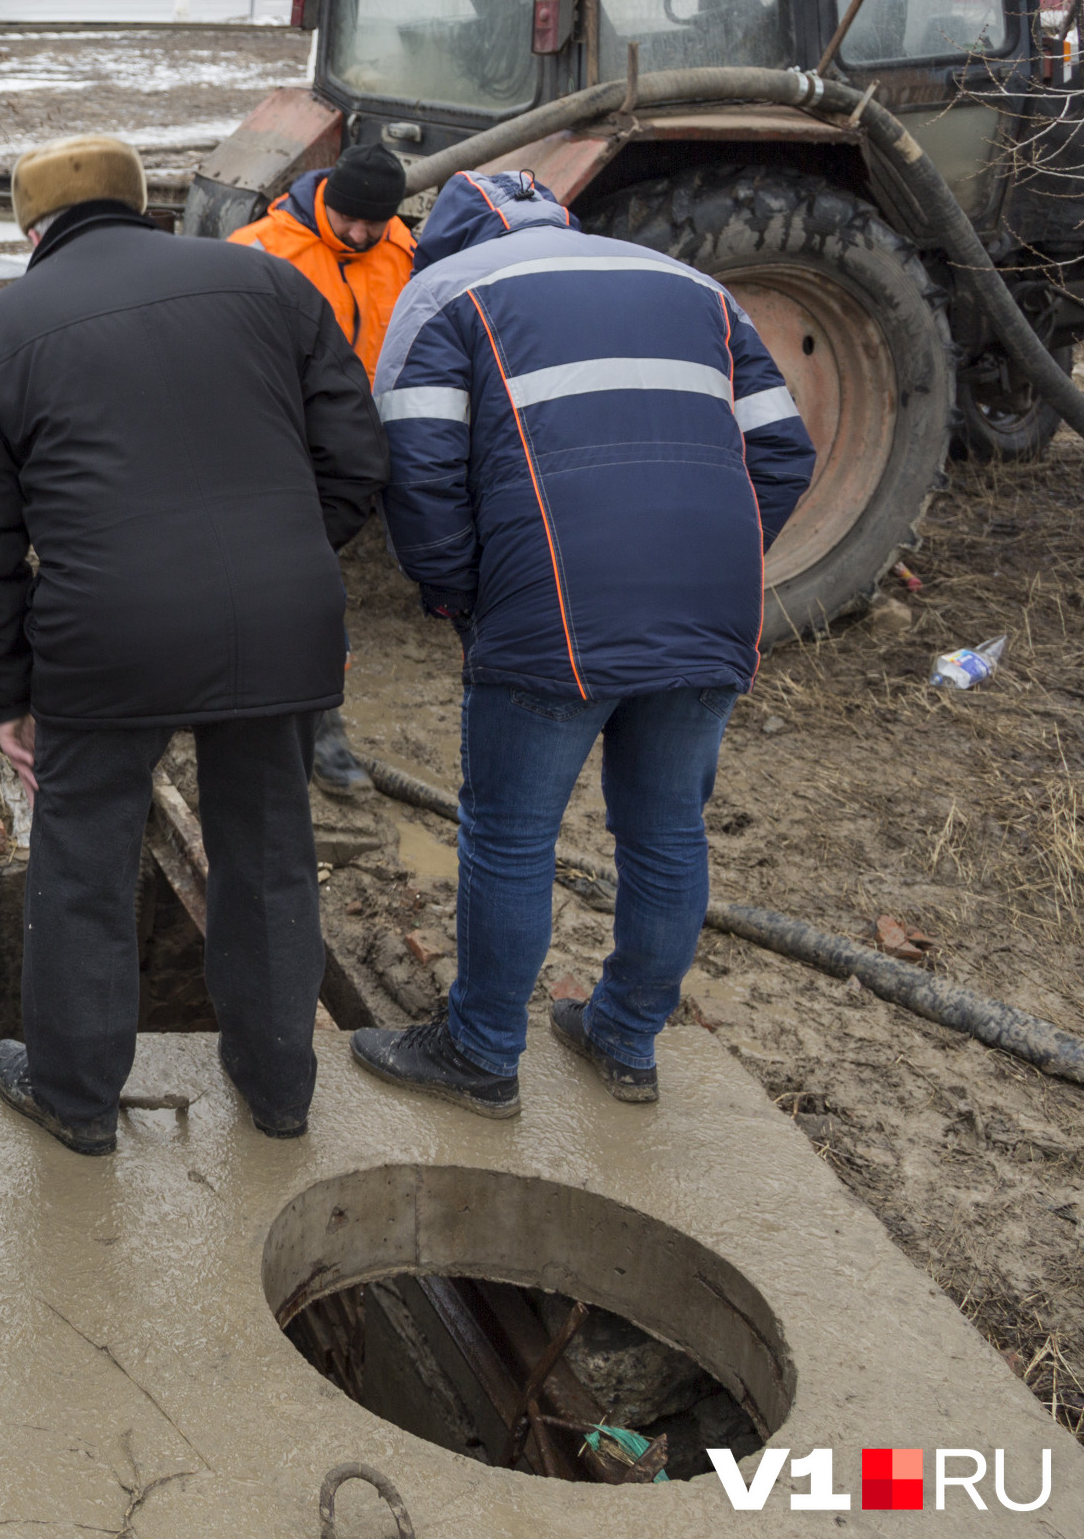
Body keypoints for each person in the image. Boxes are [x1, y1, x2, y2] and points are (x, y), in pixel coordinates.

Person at [0, 135, 387, 1154]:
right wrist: (284, 557)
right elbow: (360, 458)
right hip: (280, 622)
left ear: (32, 228)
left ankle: (77, 1096)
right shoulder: (268, 282)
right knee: (271, 849)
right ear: (147, 206)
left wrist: (8, 692)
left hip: (109, 632)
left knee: (85, 861)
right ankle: (280, 1090)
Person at [349, 172, 814, 1117]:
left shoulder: (446, 293)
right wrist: (710, 559)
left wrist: (461, 596)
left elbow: (419, 469)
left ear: (449, 239)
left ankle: (479, 1052)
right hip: (709, 606)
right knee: (667, 831)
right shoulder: (693, 285)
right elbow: (782, 451)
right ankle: (626, 1039)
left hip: (549, 606)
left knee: (511, 837)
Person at [228, 142, 422, 795]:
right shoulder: (258, 250)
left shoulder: (402, 249)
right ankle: (321, 726)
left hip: (370, 440)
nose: (361, 234)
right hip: (289, 445)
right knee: (311, 582)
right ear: (326, 197)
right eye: (351, 220)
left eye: (376, 222)